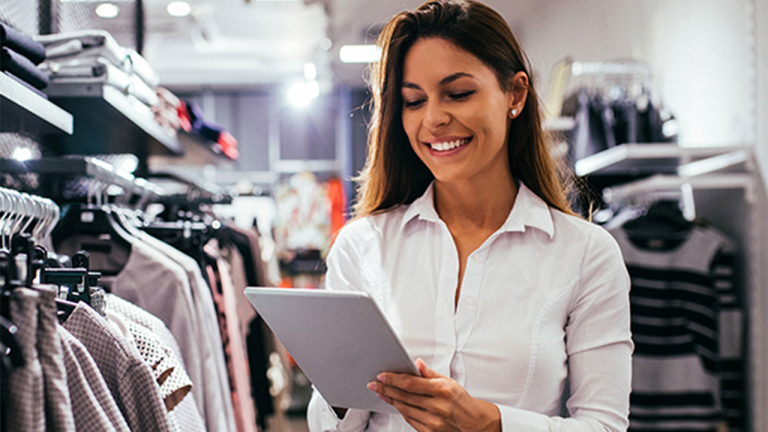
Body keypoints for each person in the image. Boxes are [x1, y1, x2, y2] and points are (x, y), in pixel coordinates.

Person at [307, 1, 633, 431]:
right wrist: (343, 385)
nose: (434, 119)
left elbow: (605, 426)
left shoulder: (586, 254)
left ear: (514, 94)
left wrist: (493, 423)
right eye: (413, 101)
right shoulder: (363, 246)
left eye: (458, 94)